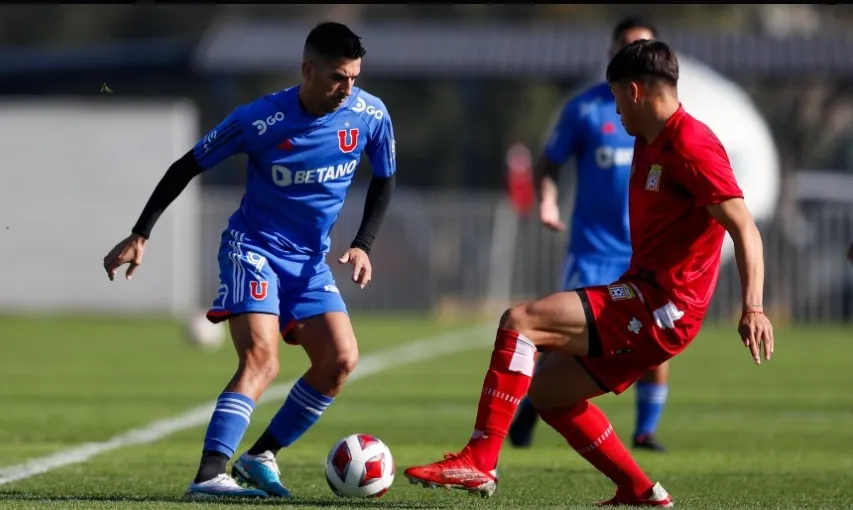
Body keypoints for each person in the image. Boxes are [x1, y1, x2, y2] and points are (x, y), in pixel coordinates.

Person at [404, 39, 774, 507]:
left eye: (617, 96)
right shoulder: (650, 139)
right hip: (648, 295)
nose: (615, 110)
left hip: (661, 305)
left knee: (521, 321)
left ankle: (480, 460)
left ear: (636, 91)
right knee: (549, 395)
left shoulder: (691, 144)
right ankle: (639, 491)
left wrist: (754, 306)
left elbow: (744, 227)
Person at [102, 21, 397, 499]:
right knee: (262, 358)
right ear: (307, 70)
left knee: (341, 359)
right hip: (252, 249)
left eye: (355, 77)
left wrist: (364, 242)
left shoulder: (370, 114)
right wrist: (141, 232)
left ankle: (261, 456)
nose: (348, 88)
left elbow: (385, 177)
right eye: (338, 77)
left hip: (308, 263)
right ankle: (210, 474)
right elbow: (186, 166)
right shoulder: (260, 119)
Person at [509, 16, 670, 453]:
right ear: (611, 53)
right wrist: (546, 199)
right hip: (593, 250)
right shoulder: (585, 109)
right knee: (558, 340)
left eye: (643, 48)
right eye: (626, 47)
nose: (634, 55)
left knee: (655, 340)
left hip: (644, 253)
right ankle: (529, 406)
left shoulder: (665, 118)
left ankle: (646, 431)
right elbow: (549, 163)